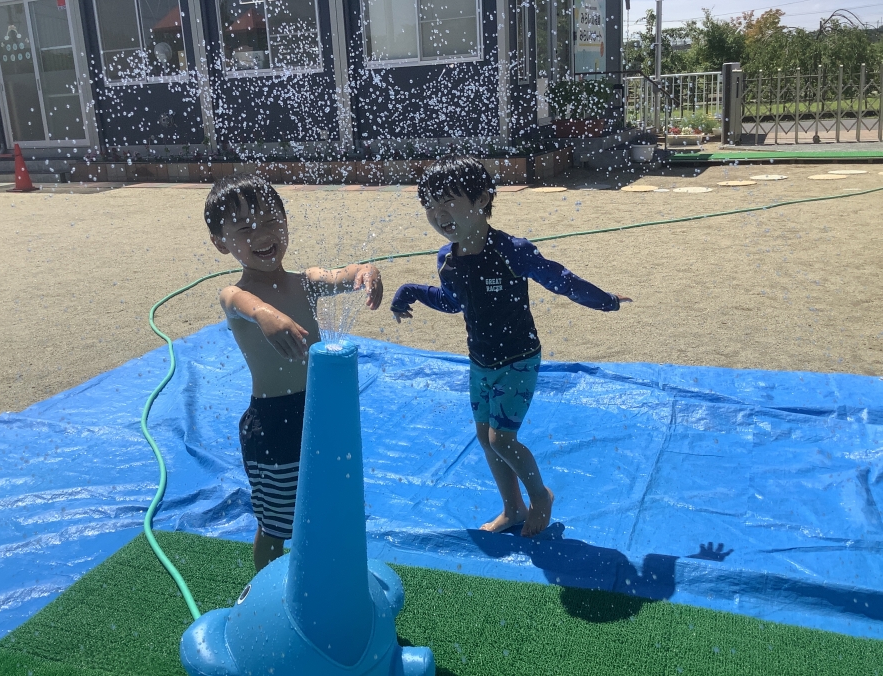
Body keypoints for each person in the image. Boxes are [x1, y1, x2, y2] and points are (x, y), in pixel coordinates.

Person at [391, 156, 631, 537]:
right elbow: (453, 302)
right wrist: (412, 291)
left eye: (449, 202)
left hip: (518, 360)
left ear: (482, 199)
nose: (439, 215)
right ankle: (513, 508)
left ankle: (540, 497)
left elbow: (561, 280)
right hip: (480, 362)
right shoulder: (446, 259)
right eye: (430, 207)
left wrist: (606, 300)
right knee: (485, 438)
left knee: (501, 439)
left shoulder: (511, 251)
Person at [205, 174, 383, 570]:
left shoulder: (305, 282)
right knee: (277, 523)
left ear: (286, 222)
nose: (262, 234)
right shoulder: (235, 294)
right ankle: (264, 587)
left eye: (271, 221)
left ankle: (323, 578)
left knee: (326, 503)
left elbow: (341, 275)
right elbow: (241, 304)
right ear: (221, 242)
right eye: (244, 229)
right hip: (274, 424)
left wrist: (365, 272)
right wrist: (265, 314)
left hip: (320, 413)